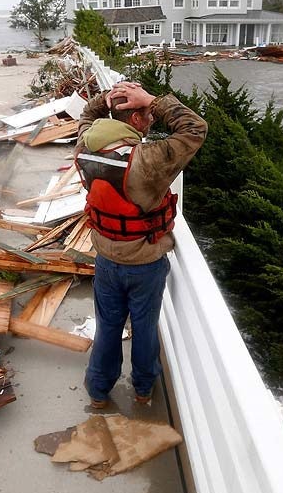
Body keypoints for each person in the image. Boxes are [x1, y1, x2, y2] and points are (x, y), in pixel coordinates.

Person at [75, 81, 207, 409]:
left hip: (105, 258)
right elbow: (195, 128)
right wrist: (153, 99)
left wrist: (105, 100)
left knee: (107, 328)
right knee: (145, 330)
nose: (151, 120)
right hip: (145, 263)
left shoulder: (84, 145)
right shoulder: (148, 159)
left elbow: (87, 116)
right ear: (135, 121)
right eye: (147, 115)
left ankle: (98, 390)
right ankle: (143, 390)